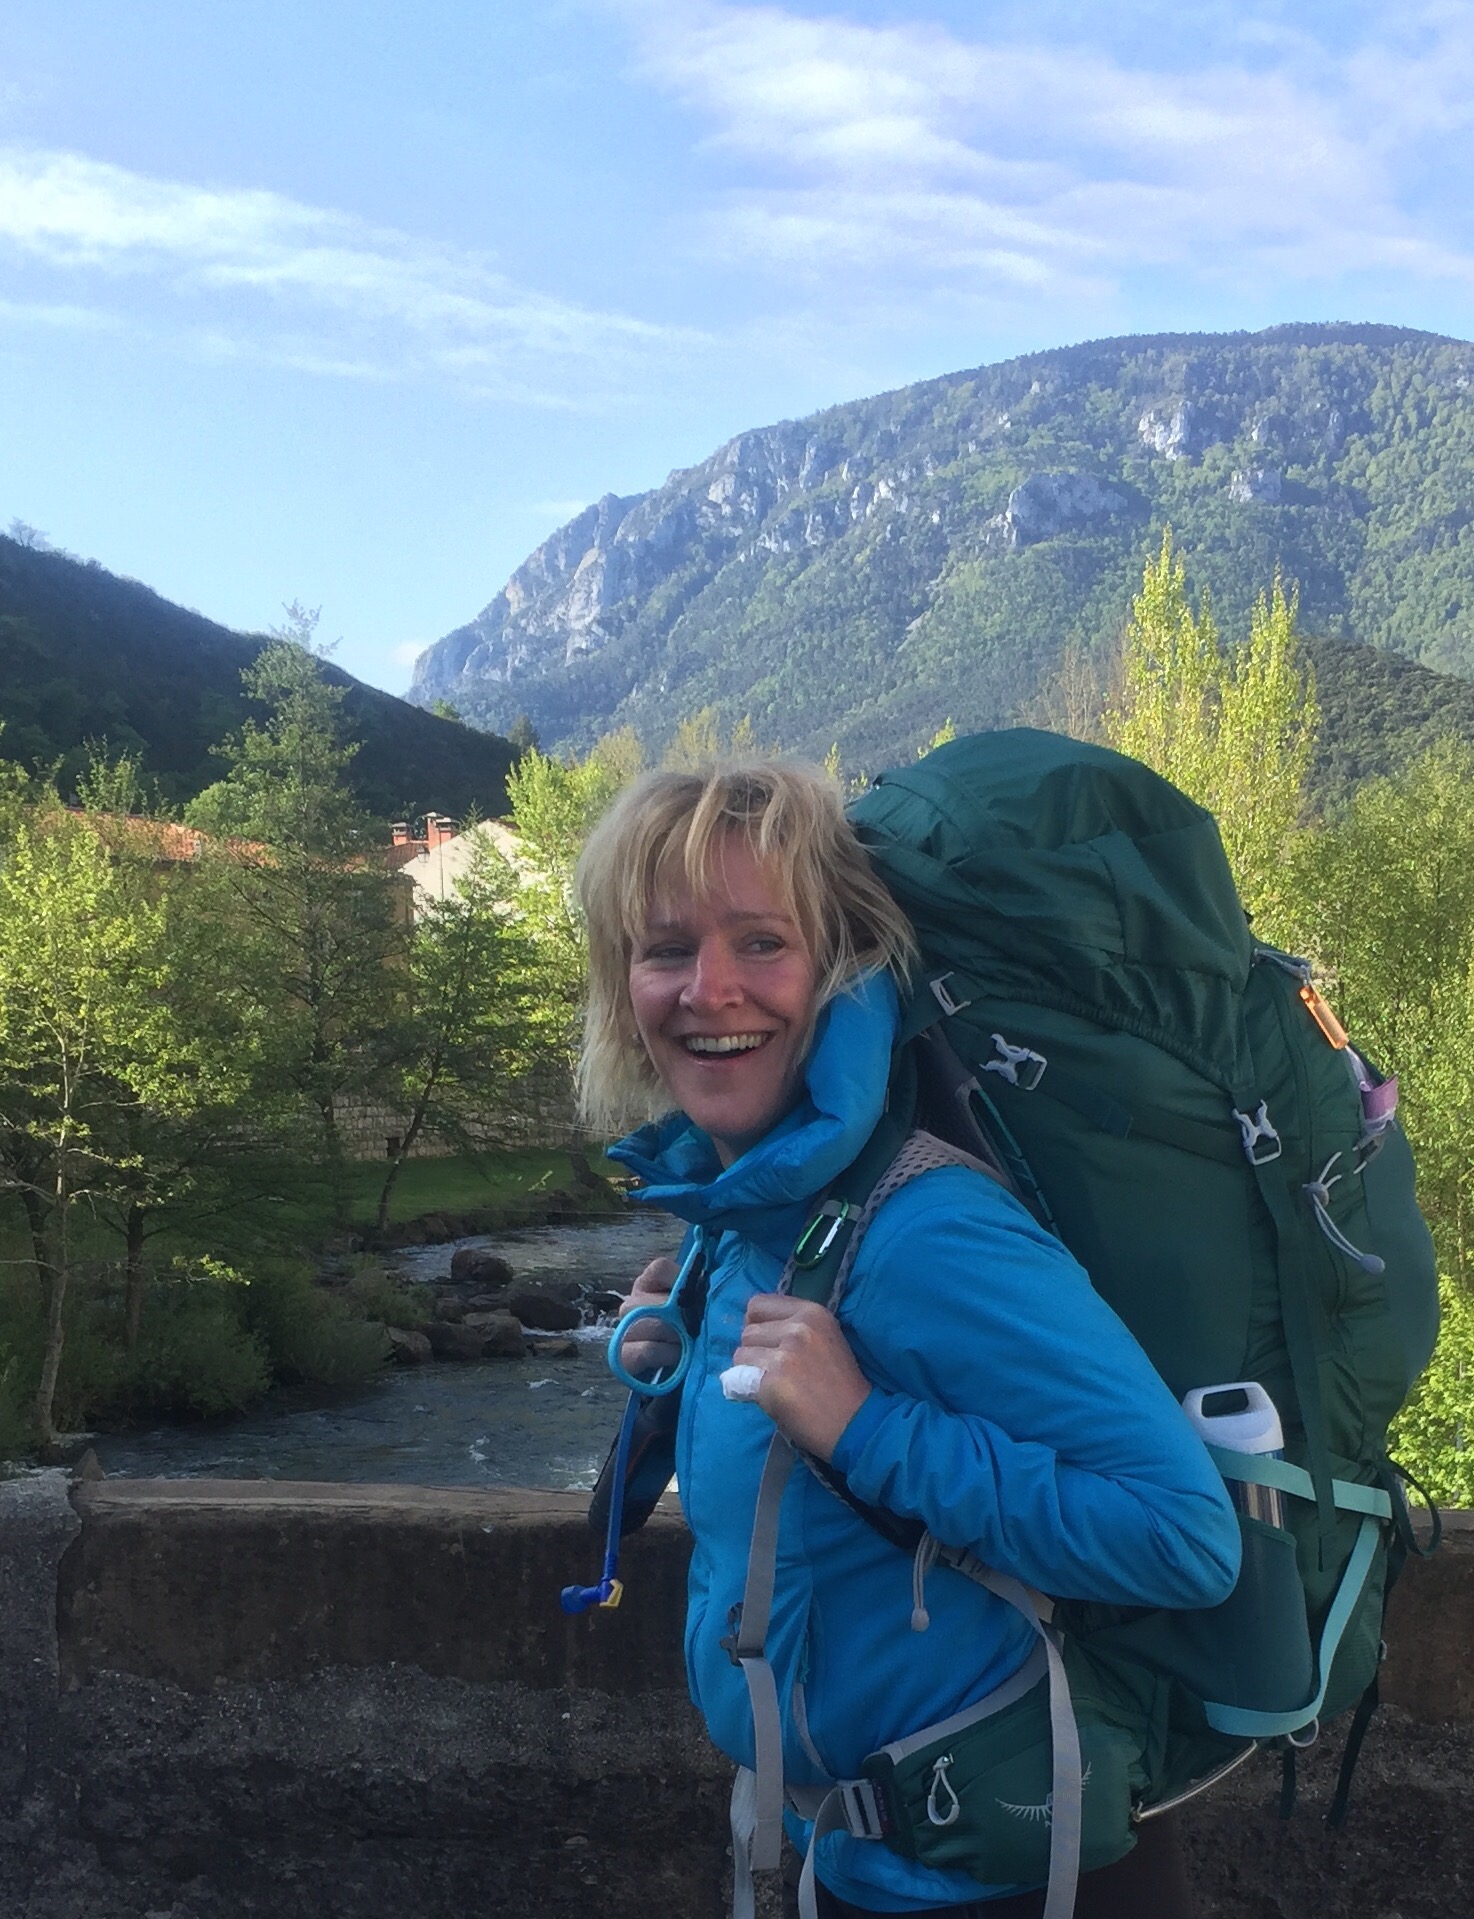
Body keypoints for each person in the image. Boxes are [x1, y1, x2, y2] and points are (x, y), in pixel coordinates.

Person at [574, 759, 1241, 1918]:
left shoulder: (926, 1228)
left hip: (1011, 1875)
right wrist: (671, 1349)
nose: (709, 988)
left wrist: (868, 1427)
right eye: (666, 948)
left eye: (762, 942)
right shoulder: (748, 1211)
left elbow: (1182, 1536)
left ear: (839, 966)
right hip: (848, 1854)